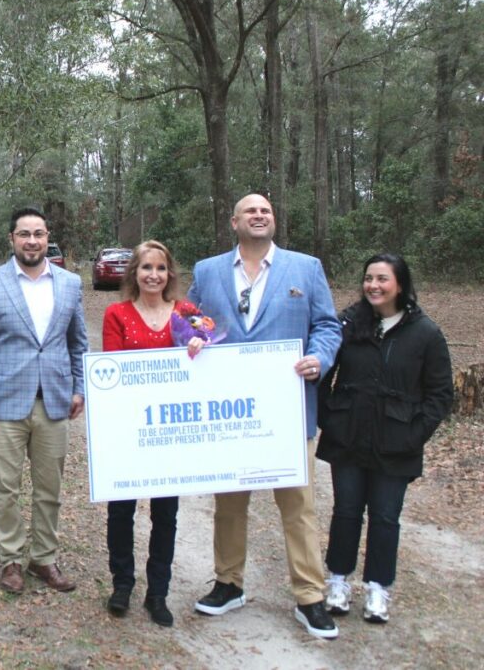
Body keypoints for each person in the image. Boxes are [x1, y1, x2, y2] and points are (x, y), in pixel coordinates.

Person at [187, 193, 342, 639]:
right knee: (229, 505)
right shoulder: (208, 271)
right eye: (250, 211)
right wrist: (193, 340)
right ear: (234, 221)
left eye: (266, 211)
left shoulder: (305, 268)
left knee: (298, 507)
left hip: (289, 410)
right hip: (230, 414)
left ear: (273, 221)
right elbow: (192, 320)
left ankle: (310, 597)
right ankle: (228, 583)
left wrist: (319, 357)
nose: (259, 215)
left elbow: (327, 326)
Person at [317, 254, 452, 624]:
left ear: (400, 284)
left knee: (385, 516)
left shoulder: (425, 333)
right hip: (348, 437)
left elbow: (440, 394)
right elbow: (322, 372)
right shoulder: (348, 325)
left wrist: (413, 433)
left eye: (382, 279)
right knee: (345, 511)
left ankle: (378, 587)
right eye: (368, 279)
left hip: (397, 442)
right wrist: (330, 418)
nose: (373, 286)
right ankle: (338, 581)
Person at [0, 206, 88, 595]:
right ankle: (11, 560)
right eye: (24, 234)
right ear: (12, 239)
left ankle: (44, 559)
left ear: (47, 236)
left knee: (49, 487)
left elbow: (78, 342)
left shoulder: (69, 284)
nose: (32, 241)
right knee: (7, 488)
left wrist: (80, 388)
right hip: (4, 404)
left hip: (53, 403)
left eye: (38, 234)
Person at [102, 241, 204, 624]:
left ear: (170, 274)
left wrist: (200, 342)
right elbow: (110, 369)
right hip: (128, 428)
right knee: (121, 510)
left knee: (166, 513)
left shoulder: (187, 313)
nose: (153, 275)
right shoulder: (117, 314)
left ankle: (157, 592)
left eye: (160, 269)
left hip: (171, 430)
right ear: (135, 273)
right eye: (146, 268)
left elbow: (211, 339)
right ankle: (122, 584)